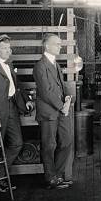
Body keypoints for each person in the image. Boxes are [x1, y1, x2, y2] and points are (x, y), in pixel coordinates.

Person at [0, 34, 34, 193]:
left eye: (9, 48)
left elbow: (15, 88)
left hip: (12, 107)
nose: (8, 51)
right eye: (4, 48)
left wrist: (26, 100)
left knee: (17, 143)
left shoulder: (9, 66)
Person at [33, 34, 73, 189]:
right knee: (49, 145)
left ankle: (58, 174)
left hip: (60, 109)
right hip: (49, 112)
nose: (59, 46)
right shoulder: (40, 66)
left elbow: (60, 85)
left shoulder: (54, 64)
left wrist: (68, 97)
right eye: (56, 44)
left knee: (67, 140)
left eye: (60, 44)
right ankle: (51, 178)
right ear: (47, 46)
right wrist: (61, 105)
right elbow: (45, 91)